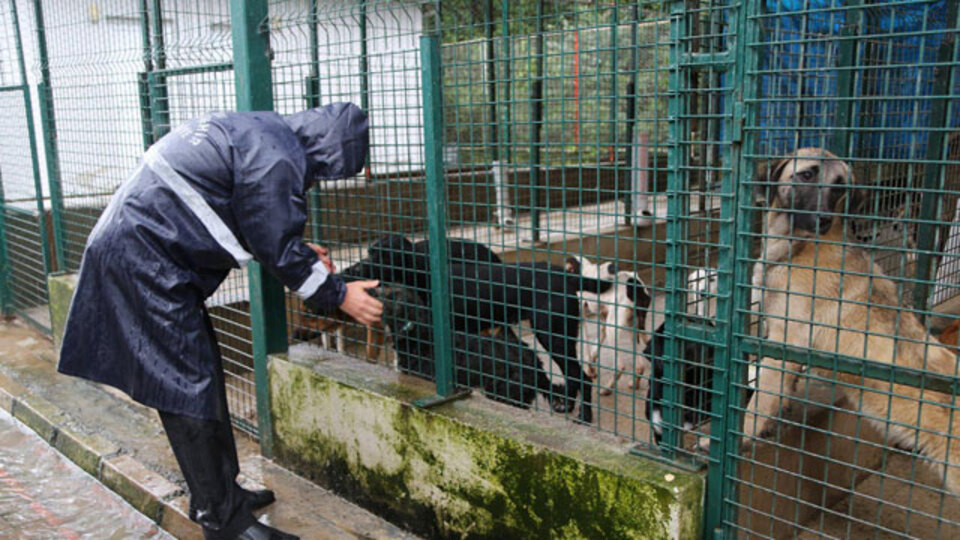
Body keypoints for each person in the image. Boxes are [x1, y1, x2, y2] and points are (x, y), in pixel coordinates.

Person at [57, 103, 383, 540]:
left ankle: (220, 495)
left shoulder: (264, 132)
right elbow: (276, 245)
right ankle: (224, 524)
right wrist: (341, 295)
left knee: (201, 376)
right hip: (144, 263)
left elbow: (256, 220)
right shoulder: (278, 156)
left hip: (144, 254)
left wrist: (297, 253)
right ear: (331, 152)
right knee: (186, 387)